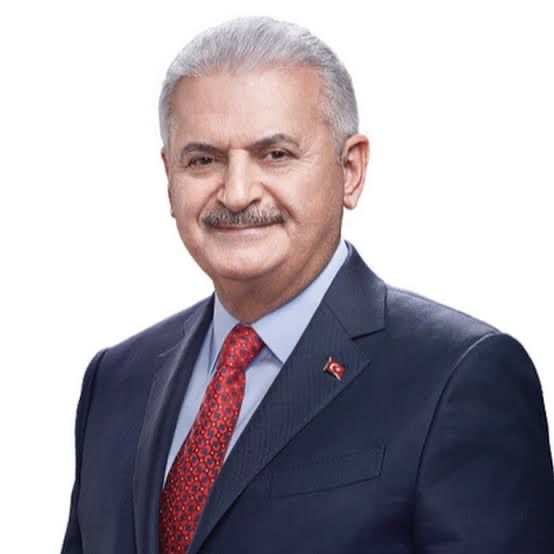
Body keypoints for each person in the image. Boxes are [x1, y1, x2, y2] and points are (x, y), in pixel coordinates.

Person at [61, 16, 554, 554]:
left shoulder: (461, 377)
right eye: (203, 160)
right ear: (169, 178)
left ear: (351, 171)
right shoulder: (115, 382)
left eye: (275, 155)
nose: (237, 192)